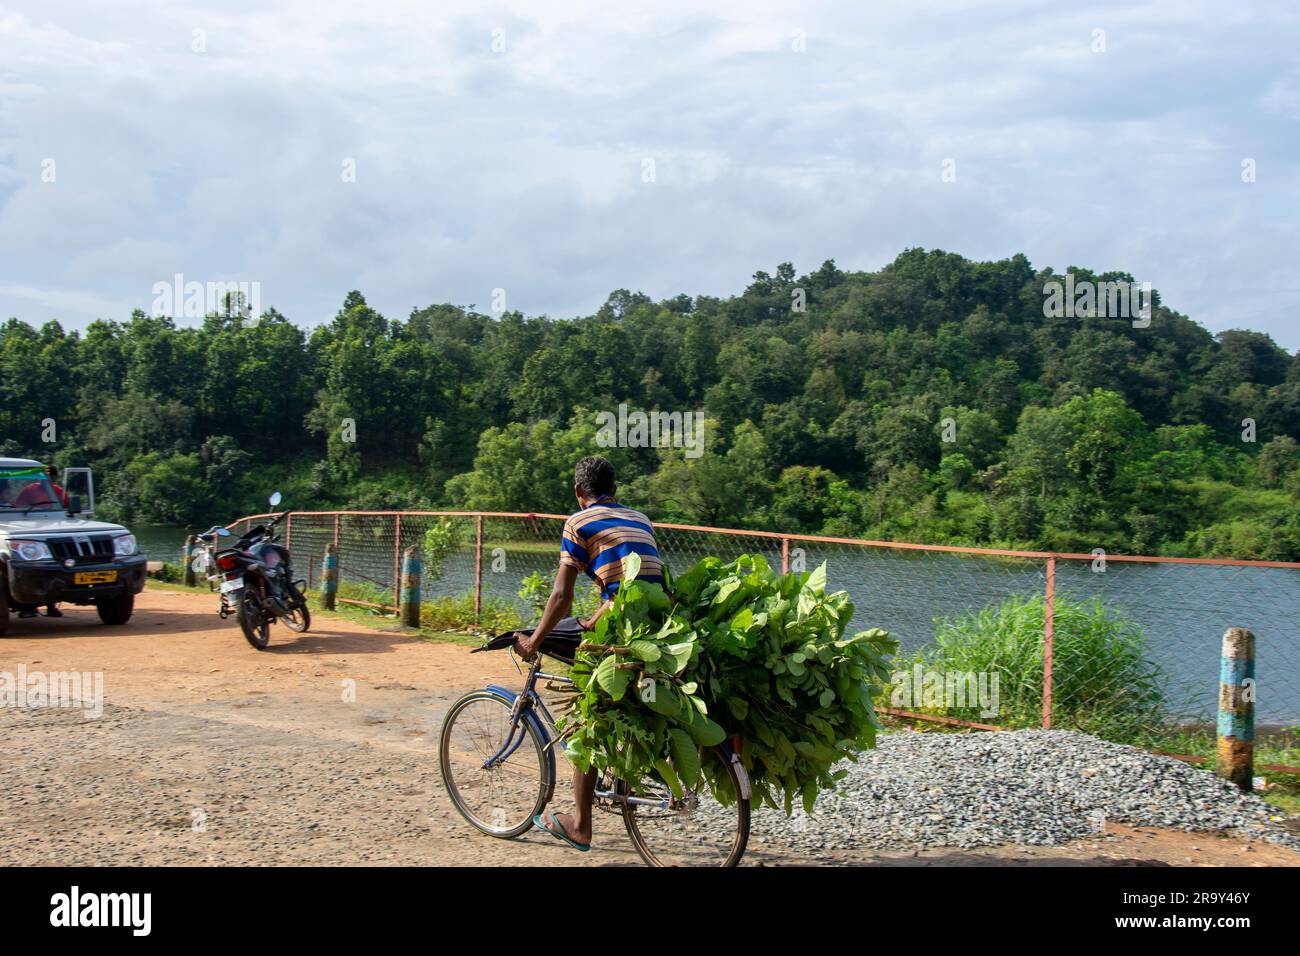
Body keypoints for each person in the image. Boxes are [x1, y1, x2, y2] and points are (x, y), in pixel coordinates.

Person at [514, 455, 663, 851]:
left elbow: (562, 595)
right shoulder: (641, 518)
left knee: (586, 720)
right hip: (660, 624)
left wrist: (535, 641)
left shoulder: (578, 522)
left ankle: (580, 825)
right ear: (615, 491)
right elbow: (635, 581)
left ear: (580, 493)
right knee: (626, 700)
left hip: (624, 629)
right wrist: (601, 611)